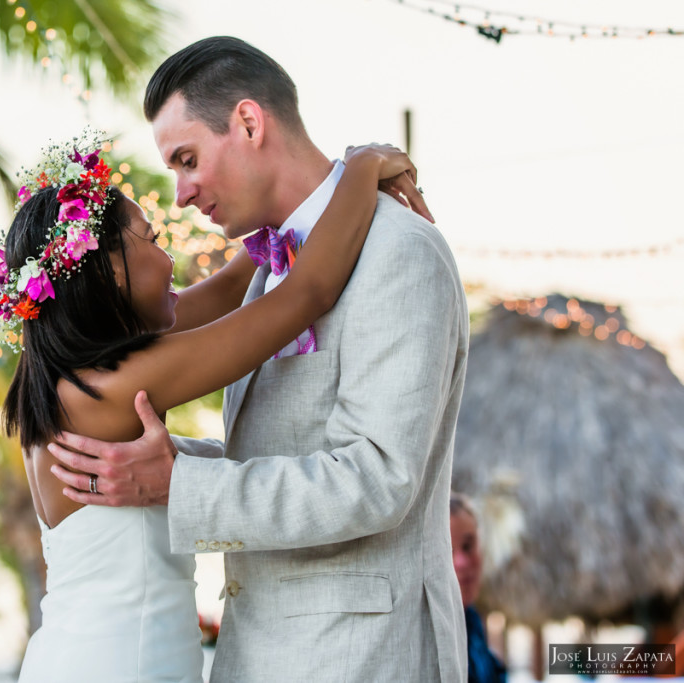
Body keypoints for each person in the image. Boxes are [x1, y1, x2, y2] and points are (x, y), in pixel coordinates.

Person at [47, 36, 469, 681]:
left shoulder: (398, 251)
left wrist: (174, 477)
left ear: (247, 121)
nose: (181, 194)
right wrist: (167, 468)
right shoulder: (270, 270)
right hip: (255, 655)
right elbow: (276, 450)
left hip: (357, 660)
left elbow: (379, 477)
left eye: (187, 160)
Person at [0, 122, 423, 681]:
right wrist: (360, 168)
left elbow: (228, 287)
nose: (169, 260)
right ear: (109, 271)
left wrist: (300, 202)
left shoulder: (76, 375)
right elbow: (306, 293)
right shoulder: (109, 387)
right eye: (153, 238)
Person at [451, 494, 507, 683]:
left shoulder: (472, 623)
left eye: (468, 546)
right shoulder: (425, 636)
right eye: (446, 550)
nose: (461, 562)